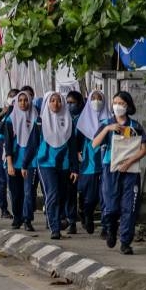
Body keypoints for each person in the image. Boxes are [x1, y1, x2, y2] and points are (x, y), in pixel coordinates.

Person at [93, 91, 146, 254]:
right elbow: (94, 144)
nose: (117, 106)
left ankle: (125, 242)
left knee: (129, 208)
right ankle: (111, 228)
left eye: (121, 103)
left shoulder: (135, 126)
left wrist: (129, 162)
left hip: (130, 171)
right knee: (110, 207)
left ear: (128, 106)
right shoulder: (106, 123)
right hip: (110, 170)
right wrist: (108, 129)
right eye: (115, 103)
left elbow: (143, 149)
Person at [23, 91, 74, 240]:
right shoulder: (40, 122)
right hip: (45, 163)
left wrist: (74, 168)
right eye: (52, 101)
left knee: (62, 195)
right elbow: (32, 145)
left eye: (58, 101)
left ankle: (59, 219)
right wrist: (25, 164)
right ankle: (55, 228)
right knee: (52, 193)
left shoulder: (68, 121)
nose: (55, 104)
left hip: (63, 164)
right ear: (47, 103)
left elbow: (72, 146)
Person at [75, 89, 108, 234]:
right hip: (88, 164)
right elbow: (76, 142)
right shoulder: (82, 122)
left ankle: (106, 227)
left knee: (106, 196)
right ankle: (87, 214)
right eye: (93, 98)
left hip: (105, 162)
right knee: (90, 198)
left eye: (99, 98)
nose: (96, 101)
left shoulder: (109, 120)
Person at [4, 90, 38, 231]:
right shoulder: (10, 119)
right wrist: (10, 163)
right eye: (20, 100)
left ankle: (27, 219)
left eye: (26, 100)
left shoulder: (37, 118)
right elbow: (8, 143)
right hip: (15, 162)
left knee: (29, 192)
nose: (23, 103)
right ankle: (17, 217)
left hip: (32, 162)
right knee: (15, 192)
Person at [0, 89, 19, 218]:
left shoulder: (22, 112)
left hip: (15, 147)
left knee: (13, 180)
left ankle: (18, 209)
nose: (12, 99)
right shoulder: (3, 111)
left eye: (15, 97)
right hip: (0, 146)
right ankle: (3, 208)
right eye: (10, 96)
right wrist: (4, 113)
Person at [61, 90, 85, 233]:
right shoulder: (63, 118)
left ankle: (74, 219)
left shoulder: (84, 119)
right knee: (66, 192)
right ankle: (67, 220)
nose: (70, 106)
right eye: (68, 103)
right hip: (64, 160)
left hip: (81, 160)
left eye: (72, 103)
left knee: (76, 191)